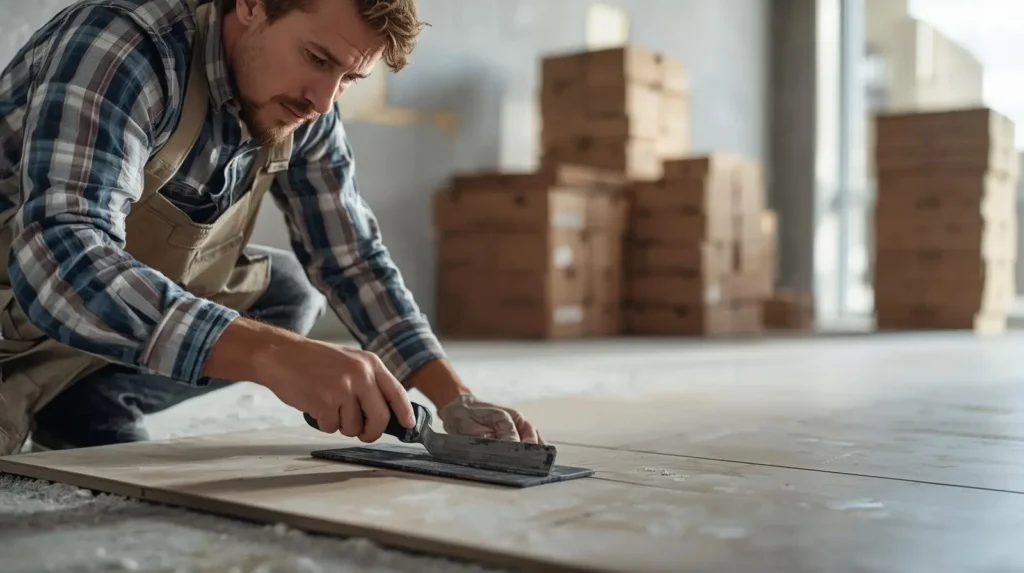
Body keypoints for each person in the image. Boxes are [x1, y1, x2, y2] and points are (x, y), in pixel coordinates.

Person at [0, 0, 542, 455]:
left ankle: (84, 406)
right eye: (317, 58)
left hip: (105, 315)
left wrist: (454, 398)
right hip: (17, 311)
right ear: (251, 5)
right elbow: (60, 258)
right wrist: (273, 355)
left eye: (349, 79)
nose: (323, 100)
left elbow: (352, 258)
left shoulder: (309, 103)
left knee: (286, 295)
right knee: (273, 335)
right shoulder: (125, 45)